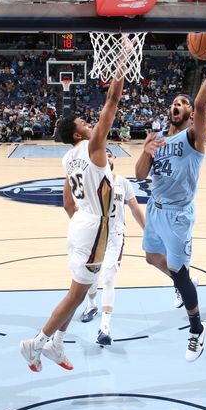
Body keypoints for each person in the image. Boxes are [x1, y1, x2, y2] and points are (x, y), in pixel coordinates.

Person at [19, 63, 126, 372]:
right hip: (94, 229)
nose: (91, 123)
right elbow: (112, 103)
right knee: (75, 295)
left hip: (80, 224)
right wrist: (121, 64)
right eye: (85, 122)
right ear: (80, 133)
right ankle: (36, 343)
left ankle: (56, 343)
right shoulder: (94, 146)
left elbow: (68, 200)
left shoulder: (68, 157)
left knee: (79, 294)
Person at [135, 34, 206, 362]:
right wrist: (146, 150)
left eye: (182, 103)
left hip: (177, 214)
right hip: (155, 210)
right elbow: (140, 174)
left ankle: (197, 329)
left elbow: (203, 106)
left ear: (189, 114)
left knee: (179, 271)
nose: (177, 105)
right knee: (151, 258)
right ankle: (181, 279)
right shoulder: (158, 137)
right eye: (174, 102)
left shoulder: (194, 137)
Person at [79, 148, 146, 345]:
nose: (106, 156)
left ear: (113, 158)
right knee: (90, 275)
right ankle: (91, 305)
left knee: (108, 278)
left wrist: (148, 231)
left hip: (115, 237)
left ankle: (105, 328)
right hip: (93, 236)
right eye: (103, 154)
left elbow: (134, 208)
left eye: (110, 154)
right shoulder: (89, 181)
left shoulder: (123, 182)